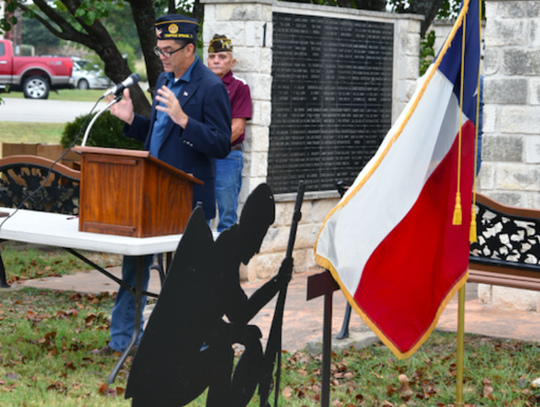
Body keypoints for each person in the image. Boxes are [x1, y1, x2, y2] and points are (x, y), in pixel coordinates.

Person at [92, 14, 232, 356]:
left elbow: (221, 143)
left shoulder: (211, 87)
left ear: (189, 48)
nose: (162, 56)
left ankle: (197, 345)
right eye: (159, 50)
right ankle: (123, 341)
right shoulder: (165, 81)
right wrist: (131, 121)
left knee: (191, 277)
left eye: (168, 50)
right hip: (152, 196)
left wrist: (185, 120)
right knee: (134, 268)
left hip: (189, 199)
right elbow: (158, 137)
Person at [207, 34, 252, 233]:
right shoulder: (199, 85)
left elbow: (237, 128)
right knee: (200, 211)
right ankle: (199, 260)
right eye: (212, 57)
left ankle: (225, 262)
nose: (216, 61)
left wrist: (209, 146)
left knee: (227, 212)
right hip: (202, 157)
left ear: (232, 62)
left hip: (227, 156)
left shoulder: (239, 86)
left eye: (222, 57)